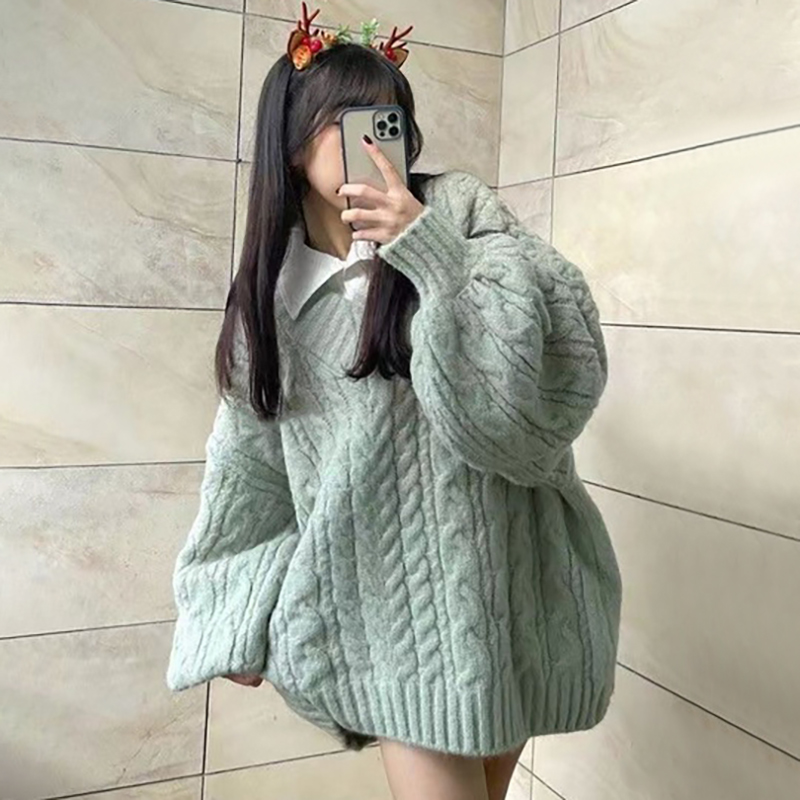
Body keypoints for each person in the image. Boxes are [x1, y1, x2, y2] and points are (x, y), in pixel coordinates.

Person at [165, 6, 623, 799]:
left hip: (514, 591)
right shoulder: (273, 303)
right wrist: (230, 611)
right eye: (350, 121)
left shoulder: (460, 213)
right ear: (291, 142)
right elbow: (248, 470)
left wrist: (430, 251)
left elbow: (547, 385)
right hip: (396, 623)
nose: (380, 141)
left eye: (392, 119)